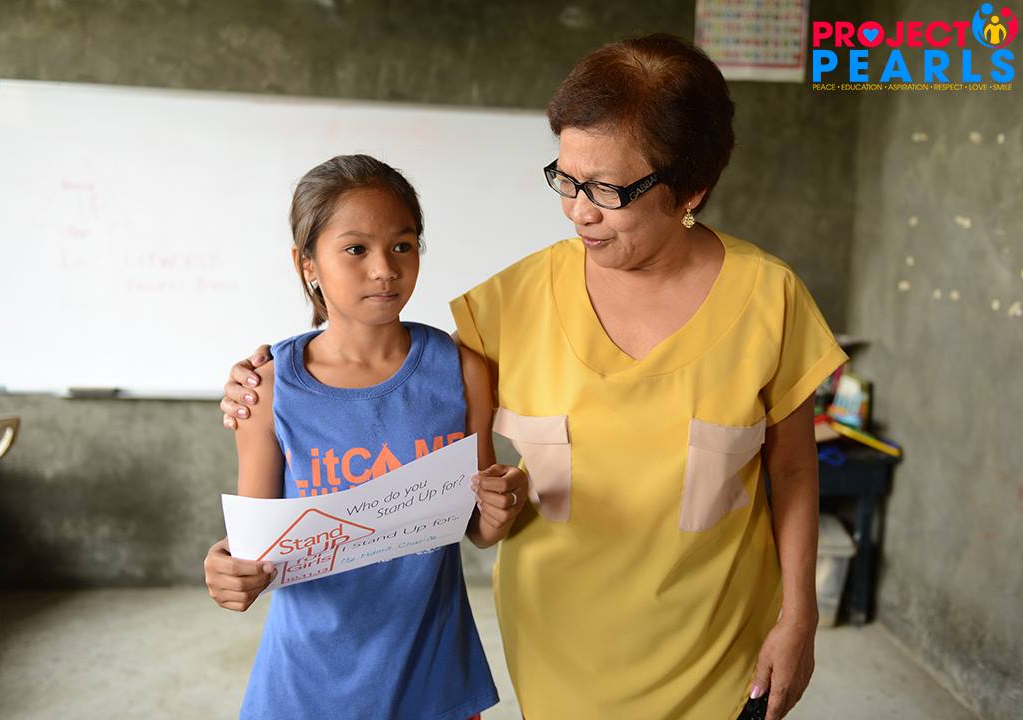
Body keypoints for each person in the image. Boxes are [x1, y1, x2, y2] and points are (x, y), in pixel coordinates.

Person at [216, 34, 847, 720]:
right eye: (566, 179)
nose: (579, 210)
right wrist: (264, 379)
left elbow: (792, 468)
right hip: (558, 664)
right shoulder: (507, 309)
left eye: (607, 189)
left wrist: (800, 618)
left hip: (722, 656)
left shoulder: (769, 299)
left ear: (691, 188)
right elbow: (388, 385)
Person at [205, 154, 529, 720]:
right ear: (306, 263)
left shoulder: (461, 372)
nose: (384, 269)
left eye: (402, 245)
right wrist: (227, 570)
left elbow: (478, 528)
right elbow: (255, 552)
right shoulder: (268, 389)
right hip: (308, 682)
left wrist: (502, 507)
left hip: (432, 673)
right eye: (355, 249)